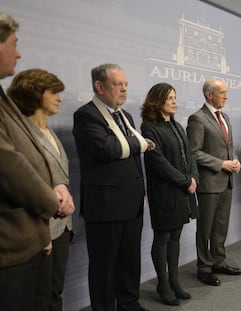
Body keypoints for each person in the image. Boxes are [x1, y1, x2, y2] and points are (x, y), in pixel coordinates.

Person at [0, 11, 74, 311]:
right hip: (19, 238)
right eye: (13, 44)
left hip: (43, 230)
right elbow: (11, 167)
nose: (19, 53)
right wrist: (52, 205)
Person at [72, 63, 154, 311]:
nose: (124, 89)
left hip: (132, 203)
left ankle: (129, 303)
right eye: (118, 84)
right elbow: (108, 149)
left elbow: (129, 152)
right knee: (104, 267)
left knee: (130, 262)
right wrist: (141, 143)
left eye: (126, 84)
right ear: (100, 87)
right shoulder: (86, 115)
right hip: (106, 207)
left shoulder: (126, 117)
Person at [140, 83, 199, 306]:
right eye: (170, 98)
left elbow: (190, 155)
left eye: (175, 97)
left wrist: (194, 178)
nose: (175, 101)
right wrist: (186, 181)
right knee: (163, 237)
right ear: (157, 101)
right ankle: (162, 285)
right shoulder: (148, 128)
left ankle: (174, 282)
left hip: (183, 191)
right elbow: (158, 163)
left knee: (175, 236)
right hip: (165, 192)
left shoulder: (176, 125)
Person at [187, 78, 241, 287]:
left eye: (226, 92)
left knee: (220, 227)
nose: (226, 96)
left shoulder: (224, 116)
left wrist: (234, 160)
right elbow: (194, 153)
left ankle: (219, 261)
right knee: (205, 228)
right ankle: (204, 267)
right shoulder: (197, 119)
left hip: (227, 181)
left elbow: (230, 147)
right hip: (209, 184)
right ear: (209, 95)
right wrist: (222, 164)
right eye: (222, 92)